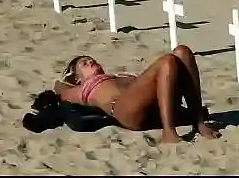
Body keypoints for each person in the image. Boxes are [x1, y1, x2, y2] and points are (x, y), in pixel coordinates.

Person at [54, 44, 220, 143]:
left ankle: (198, 122)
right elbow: (59, 88)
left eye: (91, 59)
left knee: (183, 51)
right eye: (84, 63)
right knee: (168, 61)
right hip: (125, 111)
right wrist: (66, 78)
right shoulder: (83, 88)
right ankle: (169, 133)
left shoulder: (119, 76)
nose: (90, 61)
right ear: (77, 78)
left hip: (154, 107)